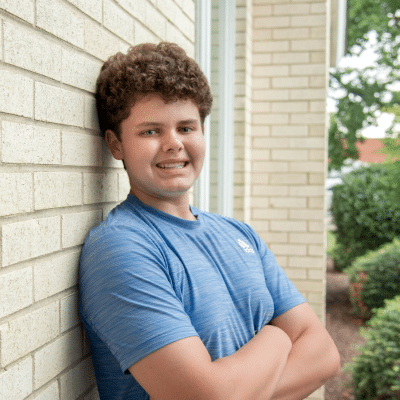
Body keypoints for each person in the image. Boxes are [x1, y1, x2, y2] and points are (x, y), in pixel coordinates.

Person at [79, 42, 340, 400]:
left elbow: (324, 355)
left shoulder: (238, 233)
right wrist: (278, 335)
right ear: (116, 144)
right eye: (151, 131)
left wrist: (237, 390)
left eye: (186, 127)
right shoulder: (121, 247)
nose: (173, 144)